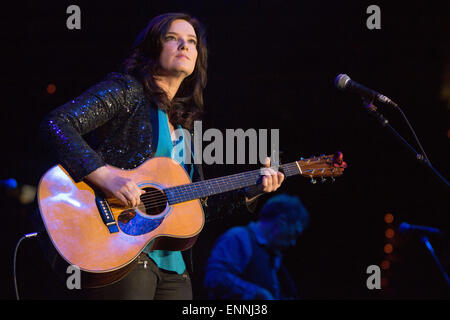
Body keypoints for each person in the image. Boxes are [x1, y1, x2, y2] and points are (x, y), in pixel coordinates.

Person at [38, 12, 284, 300]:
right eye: (172, 38)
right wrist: (107, 178)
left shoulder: (183, 131)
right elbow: (57, 124)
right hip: (123, 253)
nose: (185, 45)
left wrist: (251, 189)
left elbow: (198, 208)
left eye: (192, 41)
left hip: (174, 269)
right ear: (153, 48)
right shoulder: (127, 91)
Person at [203, 194, 310, 300]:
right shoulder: (239, 237)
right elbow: (214, 277)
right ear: (281, 221)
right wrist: (256, 293)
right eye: (295, 233)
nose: (293, 242)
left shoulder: (273, 254)